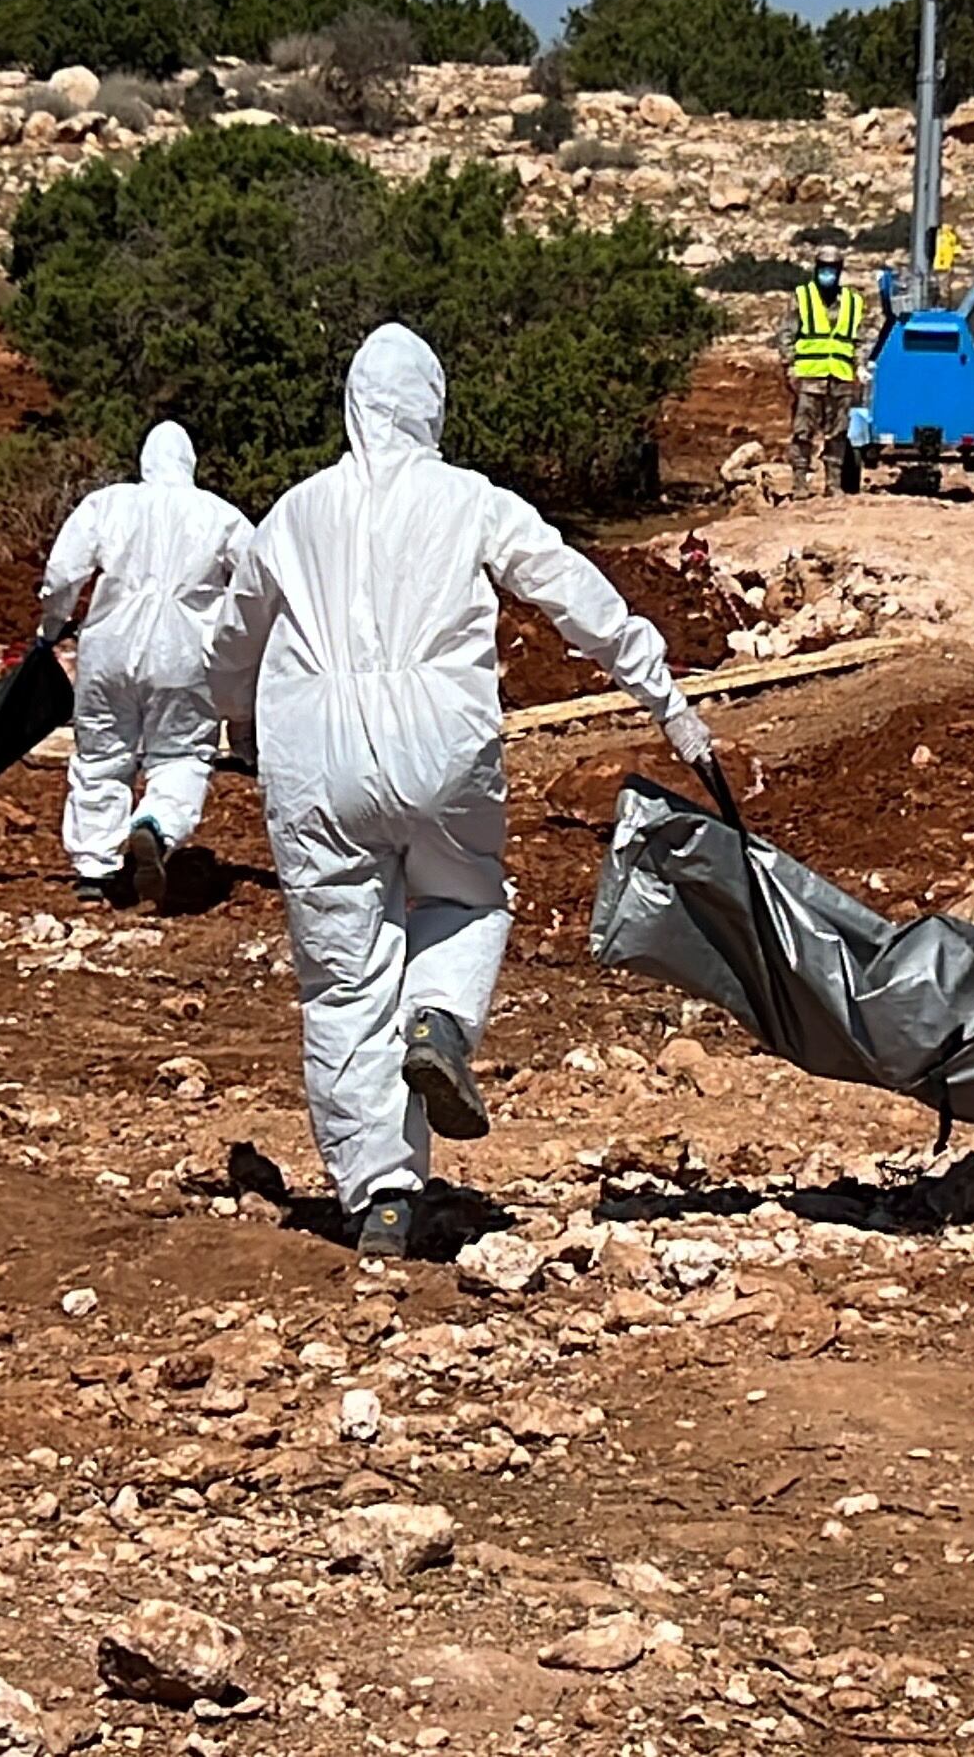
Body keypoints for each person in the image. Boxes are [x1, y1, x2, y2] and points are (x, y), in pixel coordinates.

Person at [217, 325, 715, 1257]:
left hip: (313, 756)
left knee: (343, 979)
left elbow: (232, 643)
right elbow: (573, 591)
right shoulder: (469, 500)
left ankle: (383, 1199)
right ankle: (441, 1017)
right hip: (442, 741)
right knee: (466, 896)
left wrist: (228, 721)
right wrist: (668, 700)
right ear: (429, 407)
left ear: (354, 406)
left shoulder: (291, 515)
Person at [40, 421, 254, 906]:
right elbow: (260, 579)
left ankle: (94, 870)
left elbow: (62, 573)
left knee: (100, 755)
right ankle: (156, 825)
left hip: (108, 651)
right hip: (186, 657)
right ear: (191, 465)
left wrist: (53, 624)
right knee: (181, 755)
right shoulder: (219, 515)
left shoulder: (108, 504)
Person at [784, 245, 868, 496]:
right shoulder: (802, 297)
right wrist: (790, 366)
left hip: (841, 377)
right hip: (810, 376)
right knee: (802, 431)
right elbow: (786, 334)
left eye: (832, 269)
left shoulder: (853, 302)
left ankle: (833, 484)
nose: (827, 274)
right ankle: (800, 483)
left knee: (838, 432)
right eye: (823, 268)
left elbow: (859, 340)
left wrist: (860, 366)